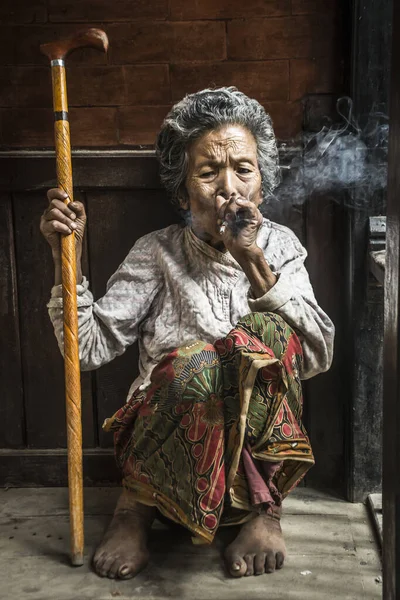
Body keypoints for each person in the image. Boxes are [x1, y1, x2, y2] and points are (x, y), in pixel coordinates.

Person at [40, 87, 334, 580]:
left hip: (250, 464)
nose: (229, 188)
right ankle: (133, 511)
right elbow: (87, 349)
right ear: (182, 194)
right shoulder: (157, 252)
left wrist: (252, 260)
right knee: (199, 362)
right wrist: (62, 257)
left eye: (244, 169)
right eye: (208, 172)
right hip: (167, 455)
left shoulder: (280, 247)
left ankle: (265, 511)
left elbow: (316, 355)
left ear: (262, 185)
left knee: (261, 334)